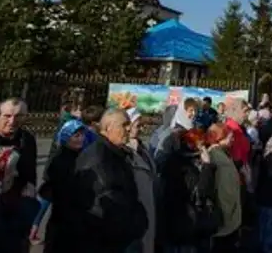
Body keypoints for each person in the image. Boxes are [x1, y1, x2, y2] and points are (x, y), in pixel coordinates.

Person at [69, 109, 149, 252]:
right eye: (124, 125)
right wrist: (136, 224)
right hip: (106, 242)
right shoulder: (99, 158)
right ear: (107, 128)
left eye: (129, 124)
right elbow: (106, 205)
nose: (129, 129)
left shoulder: (115, 153)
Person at [0, 98, 40, 253]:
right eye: (7, 116)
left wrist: (30, 186)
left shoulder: (27, 139)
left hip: (18, 203)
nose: (12, 121)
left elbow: (30, 171)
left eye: (19, 116)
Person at [31, 119, 87, 250]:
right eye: (76, 136)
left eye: (82, 135)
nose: (81, 139)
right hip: (62, 218)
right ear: (66, 137)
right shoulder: (60, 159)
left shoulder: (82, 156)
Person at [160, 128, 219, 252]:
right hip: (187, 223)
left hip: (177, 222)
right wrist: (207, 166)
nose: (204, 149)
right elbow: (200, 192)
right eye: (201, 145)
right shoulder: (185, 166)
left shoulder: (174, 161)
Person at [205, 123, 242, 253]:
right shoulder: (218, 157)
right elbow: (225, 189)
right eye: (230, 137)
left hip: (227, 214)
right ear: (220, 137)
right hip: (225, 216)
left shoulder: (222, 154)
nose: (232, 140)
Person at [125, 108, 157, 253]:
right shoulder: (123, 150)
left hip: (147, 205)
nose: (142, 129)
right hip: (134, 212)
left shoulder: (141, 147)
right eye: (138, 125)